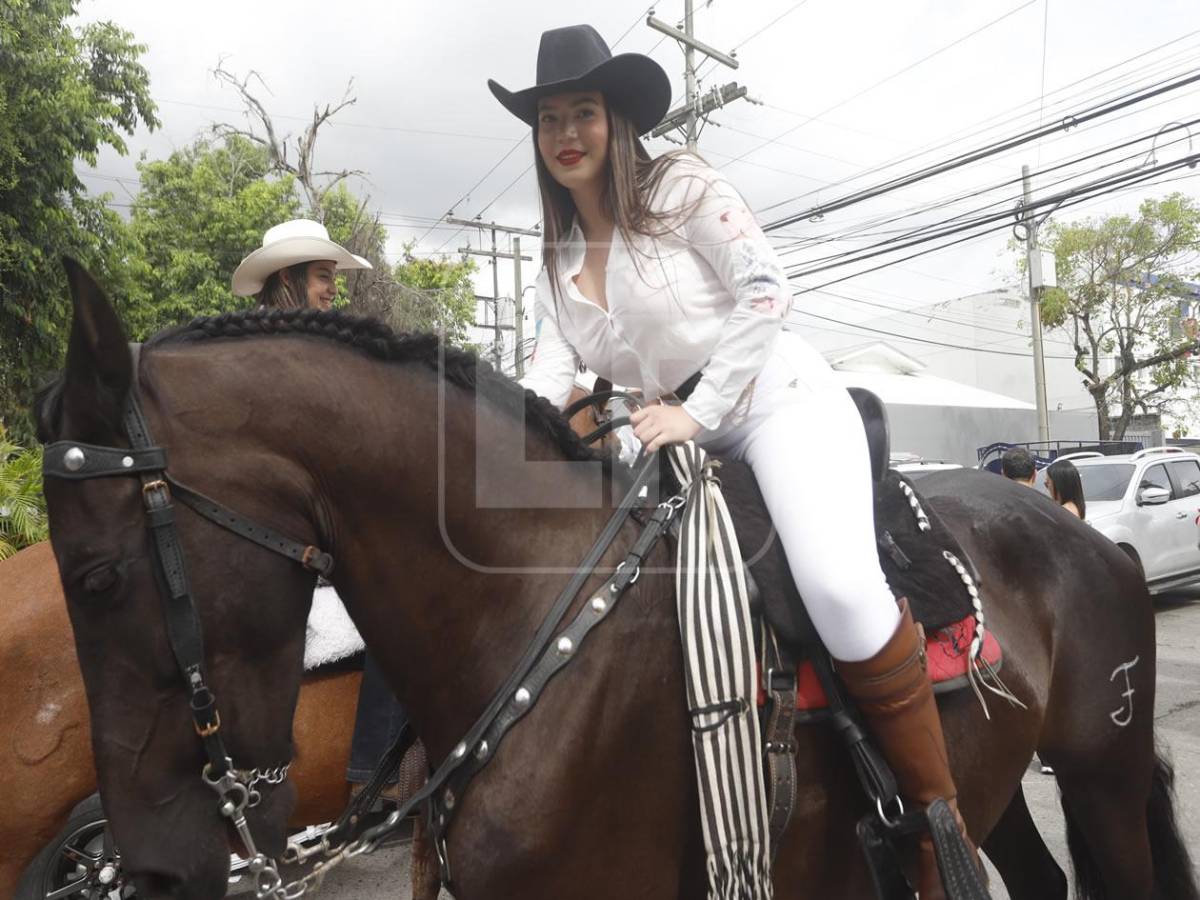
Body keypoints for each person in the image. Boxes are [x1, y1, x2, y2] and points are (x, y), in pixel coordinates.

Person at [491, 24, 981, 897]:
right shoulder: (556, 252)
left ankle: (939, 825)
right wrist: (506, 439)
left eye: (583, 112)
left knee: (837, 586)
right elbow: (546, 374)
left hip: (772, 400)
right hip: (665, 432)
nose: (565, 133)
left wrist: (696, 408)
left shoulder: (680, 185)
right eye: (549, 118)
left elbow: (766, 289)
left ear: (616, 120)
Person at [232, 221, 414, 804]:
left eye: (333, 277)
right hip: (281, 530)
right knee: (402, 602)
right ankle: (376, 774)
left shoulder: (281, 347)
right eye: (322, 277)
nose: (333, 288)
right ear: (288, 279)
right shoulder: (280, 356)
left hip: (290, 519)